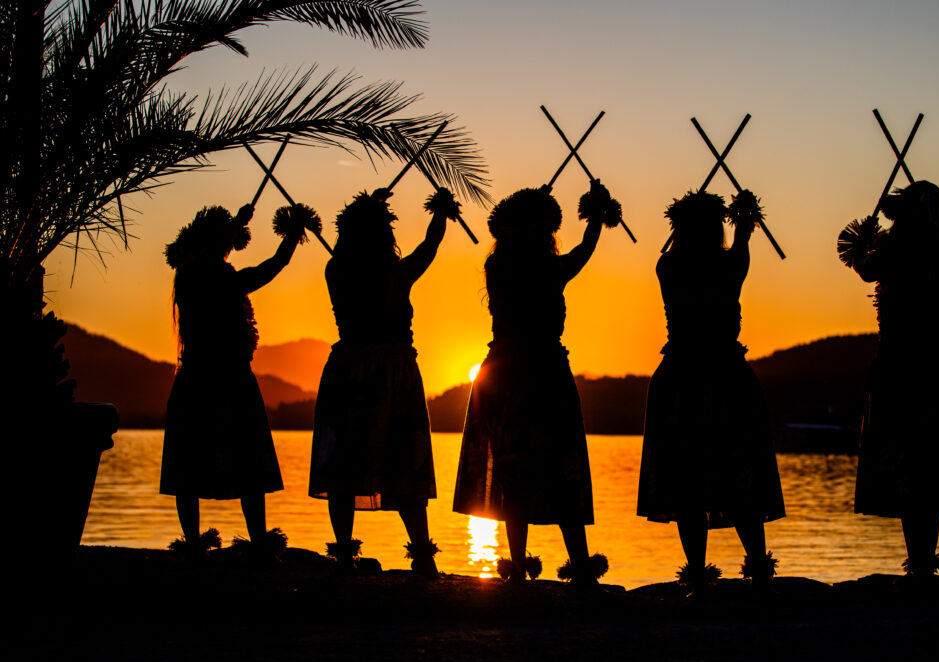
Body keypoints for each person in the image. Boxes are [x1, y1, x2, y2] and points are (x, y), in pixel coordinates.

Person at [453, 181, 619, 585]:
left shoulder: (498, 266)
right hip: (543, 374)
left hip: (503, 374)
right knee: (560, 467)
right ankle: (579, 564)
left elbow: (566, 253)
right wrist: (596, 219)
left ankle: (516, 565)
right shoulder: (547, 268)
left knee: (514, 470)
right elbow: (582, 252)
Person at [637, 190, 784, 597]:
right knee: (740, 474)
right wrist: (743, 223)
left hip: (682, 377)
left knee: (687, 479)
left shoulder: (667, 265)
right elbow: (741, 244)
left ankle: (698, 575)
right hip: (727, 377)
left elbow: (717, 249)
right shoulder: (730, 265)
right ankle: (758, 569)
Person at [309, 188, 460, 577]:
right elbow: (430, 245)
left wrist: (370, 207)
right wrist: (441, 212)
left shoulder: (335, 270)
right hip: (393, 374)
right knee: (402, 459)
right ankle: (423, 556)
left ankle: (343, 552)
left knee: (345, 461)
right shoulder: (397, 274)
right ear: (384, 235)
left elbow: (357, 254)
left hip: (348, 371)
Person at [838, 181, 939, 577]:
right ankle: (923, 559)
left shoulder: (890, 257)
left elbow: (864, 267)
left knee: (908, 462)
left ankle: (918, 560)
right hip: (937, 368)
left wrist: (867, 239)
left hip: (898, 370)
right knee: (929, 463)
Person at [161, 202, 316, 559]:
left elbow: (190, 251)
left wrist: (237, 223)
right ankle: (259, 542)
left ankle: (193, 543)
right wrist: (292, 236)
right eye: (225, 239)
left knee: (191, 464)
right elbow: (269, 269)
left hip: (194, 378)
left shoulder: (186, 273)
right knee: (248, 464)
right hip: (229, 379)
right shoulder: (219, 278)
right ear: (217, 241)